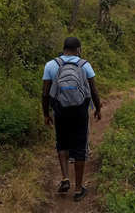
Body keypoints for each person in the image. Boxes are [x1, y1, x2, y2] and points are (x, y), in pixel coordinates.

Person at [42, 37, 101, 202]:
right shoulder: (84, 64)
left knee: (62, 143)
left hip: (60, 111)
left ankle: (65, 178)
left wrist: (46, 114)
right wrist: (98, 109)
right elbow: (94, 91)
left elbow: (46, 93)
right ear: (78, 49)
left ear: (64, 48)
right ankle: (78, 189)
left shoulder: (51, 65)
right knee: (80, 146)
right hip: (80, 111)